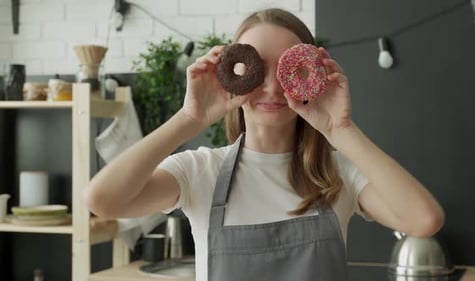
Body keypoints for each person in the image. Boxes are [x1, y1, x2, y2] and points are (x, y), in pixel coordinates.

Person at [84, 8, 445, 281]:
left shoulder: (338, 173)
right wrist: (188, 120)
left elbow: (424, 220)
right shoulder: (199, 171)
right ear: (233, 71)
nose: (272, 87)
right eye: (256, 67)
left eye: (287, 69)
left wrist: (341, 130)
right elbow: (103, 200)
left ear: (311, 74)